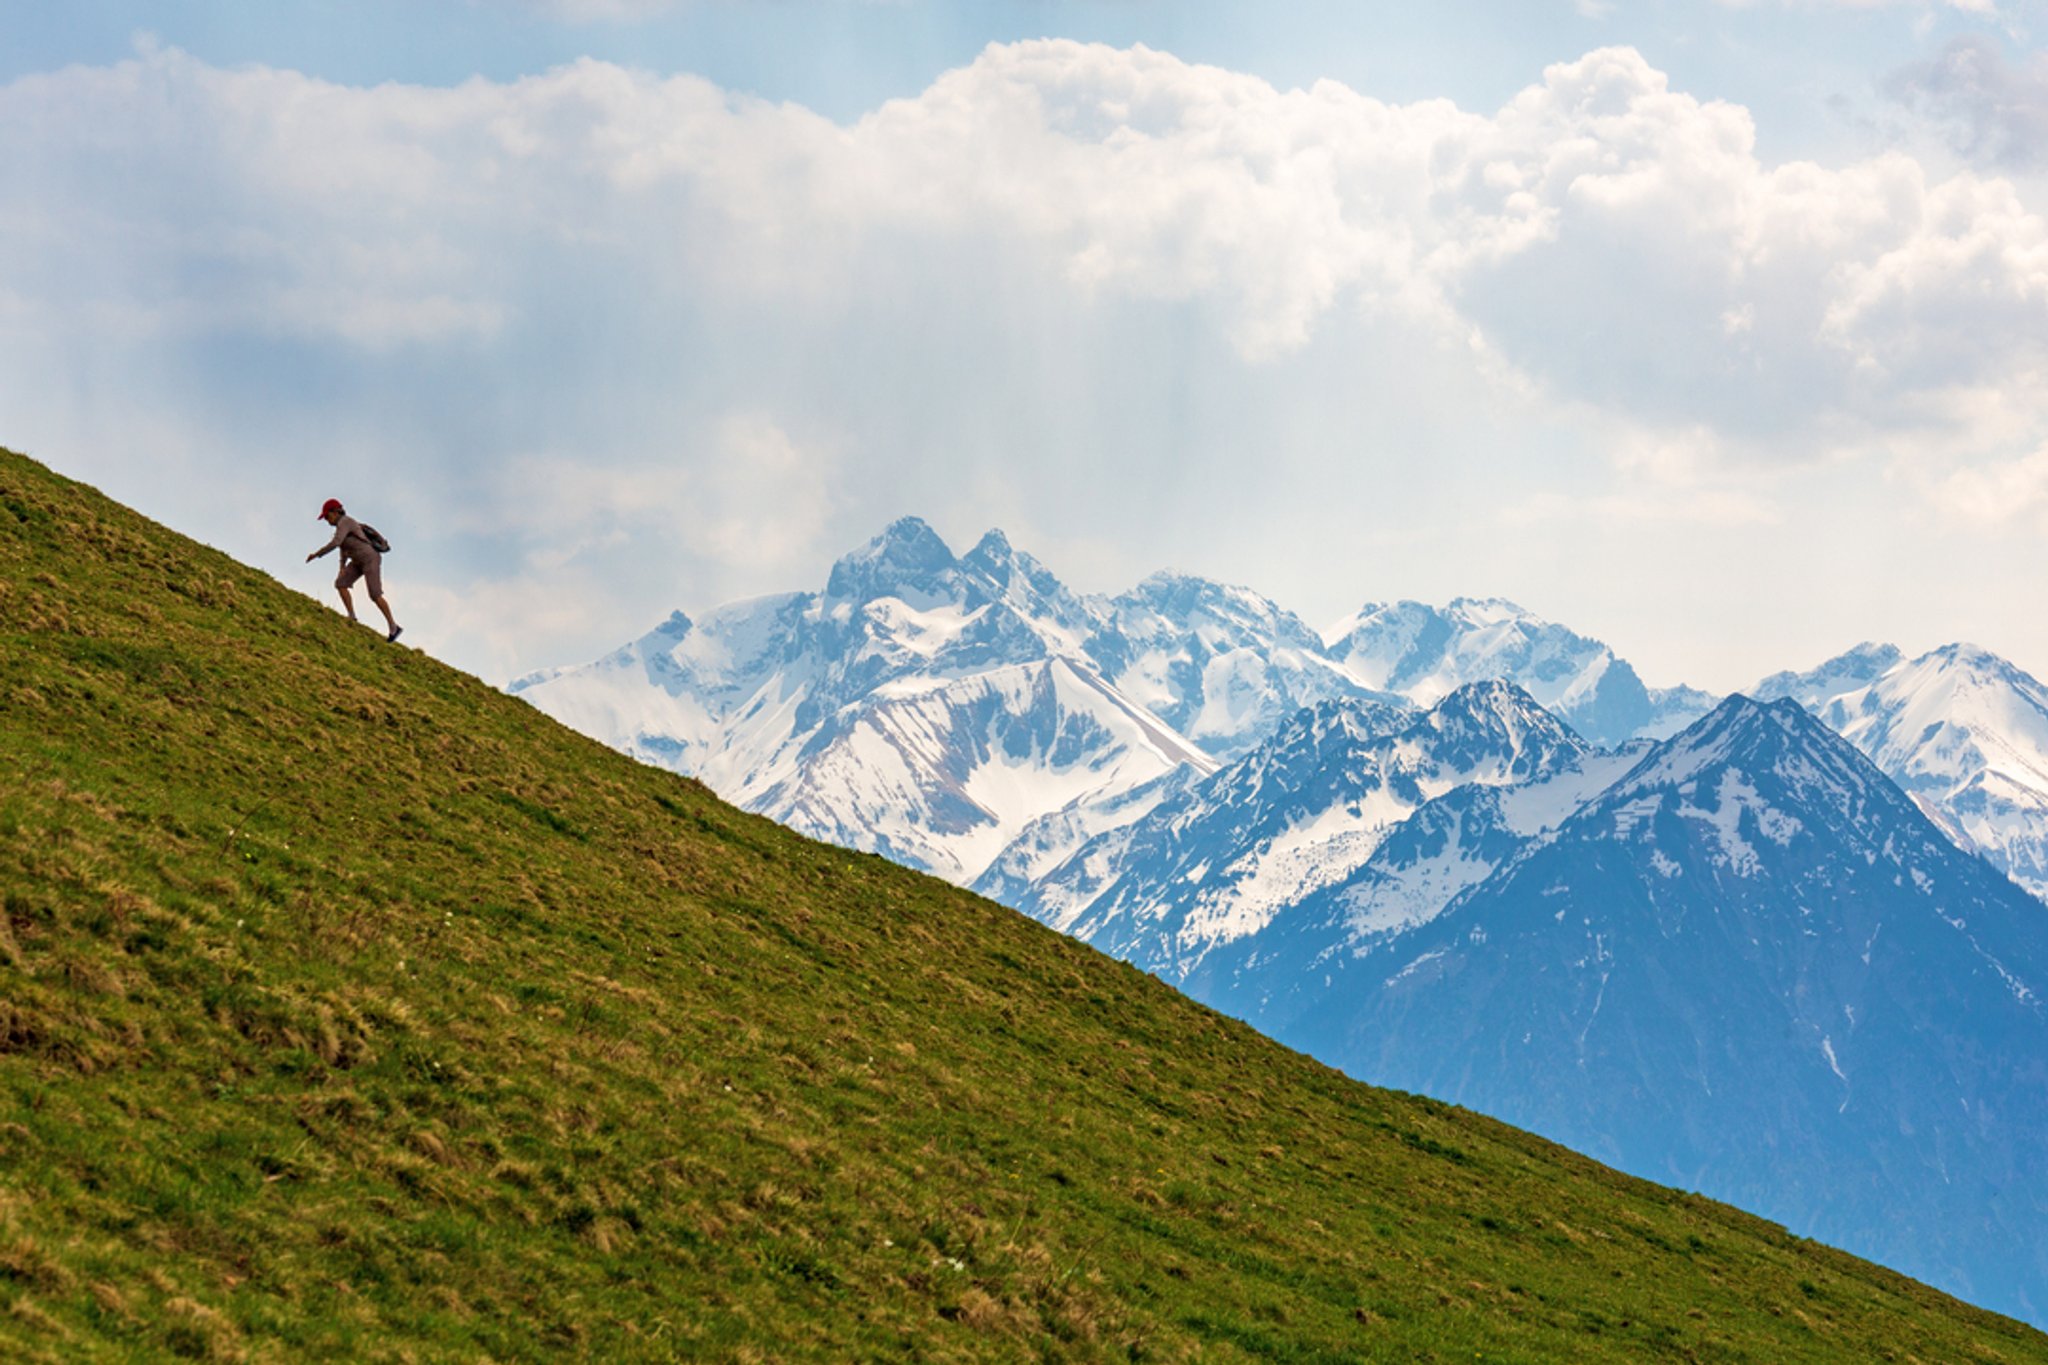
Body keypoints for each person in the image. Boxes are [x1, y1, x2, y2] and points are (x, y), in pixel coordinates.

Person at [308, 497, 402, 643]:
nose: (327, 520)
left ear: (335, 512)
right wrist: (342, 568)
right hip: (357, 561)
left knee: (375, 595)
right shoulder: (340, 527)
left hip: (370, 558)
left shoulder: (345, 522)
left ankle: (393, 627)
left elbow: (336, 543)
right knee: (340, 583)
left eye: (327, 516)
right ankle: (351, 616)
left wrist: (317, 554)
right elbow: (343, 548)